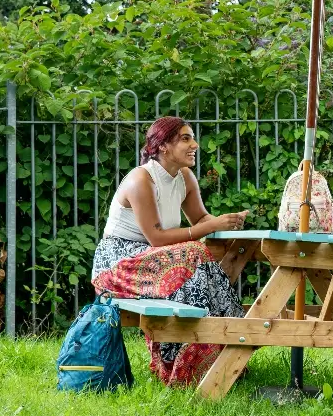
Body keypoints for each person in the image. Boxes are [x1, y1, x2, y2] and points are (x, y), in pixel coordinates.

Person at [90, 116, 250, 387]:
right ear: (163, 146)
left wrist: (227, 222)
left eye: (192, 138)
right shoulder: (142, 179)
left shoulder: (184, 177)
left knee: (193, 265)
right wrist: (211, 226)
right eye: (185, 139)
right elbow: (157, 238)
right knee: (192, 254)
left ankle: (217, 357)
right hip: (118, 262)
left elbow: (200, 220)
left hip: (159, 258)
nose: (195, 145)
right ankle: (219, 343)